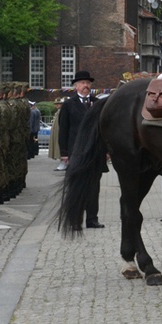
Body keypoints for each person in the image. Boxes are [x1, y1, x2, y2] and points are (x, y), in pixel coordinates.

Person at [59, 70, 105, 229]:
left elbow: (103, 129)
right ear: (76, 86)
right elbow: (63, 129)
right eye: (83, 83)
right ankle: (75, 220)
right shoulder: (68, 105)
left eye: (88, 83)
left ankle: (92, 219)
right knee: (77, 187)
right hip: (76, 152)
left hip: (94, 152)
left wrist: (105, 151)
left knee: (94, 188)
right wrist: (64, 153)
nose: (86, 86)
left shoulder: (97, 103)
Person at [49, 97, 67, 170]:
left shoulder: (62, 112)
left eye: (58, 104)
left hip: (59, 132)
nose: (57, 105)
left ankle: (63, 163)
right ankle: (63, 162)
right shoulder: (58, 111)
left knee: (59, 148)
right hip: (56, 132)